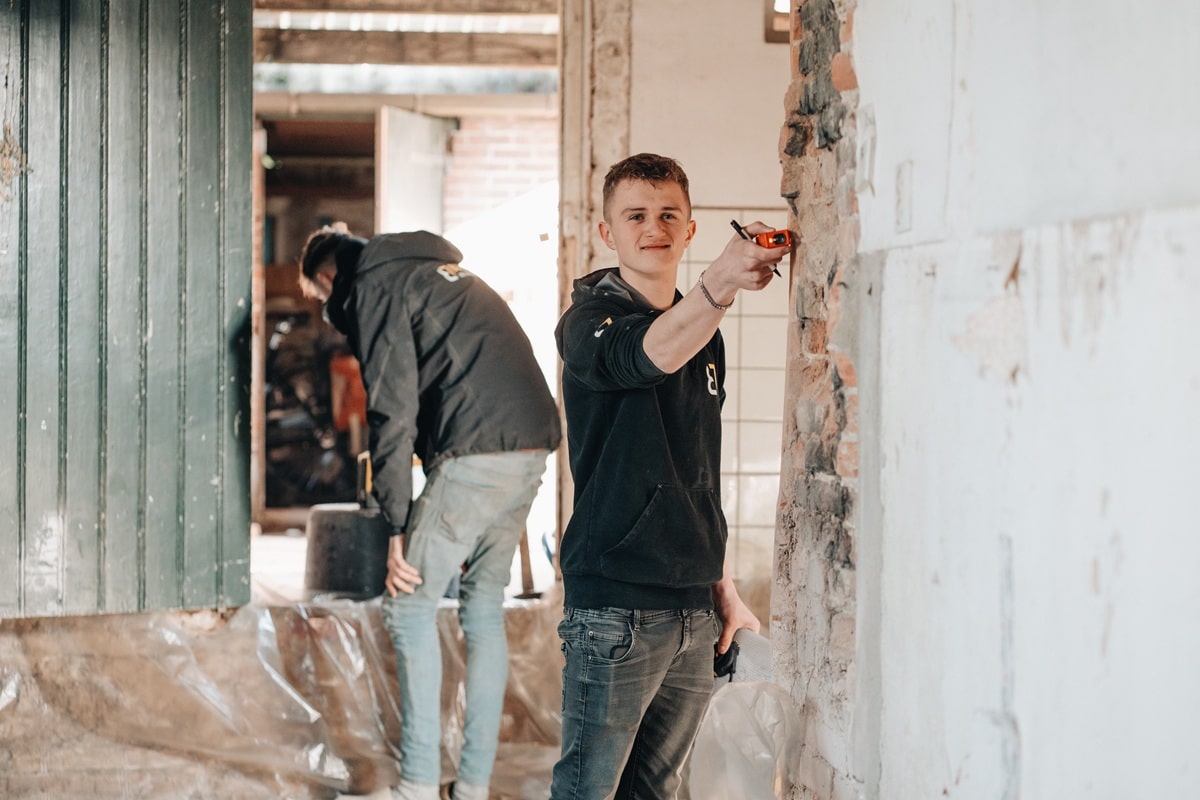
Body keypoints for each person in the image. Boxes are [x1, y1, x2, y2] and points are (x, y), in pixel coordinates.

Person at [550, 153, 787, 799]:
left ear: (689, 229)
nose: (652, 227)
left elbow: (696, 468)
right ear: (608, 233)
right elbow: (645, 355)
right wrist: (722, 283)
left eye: (667, 215)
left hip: (694, 612)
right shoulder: (587, 323)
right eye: (635, 216)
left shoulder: (704, 332)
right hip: (615, 610)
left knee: (654, 792)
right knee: (587, 792)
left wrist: (725, 589)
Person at [297, 226, 562, 800]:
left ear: (328, 279)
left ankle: (416, 785)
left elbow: (392, 411)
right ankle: (469, 788)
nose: (330, 313)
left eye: (323, 301)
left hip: (477, 453)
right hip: (531, 445)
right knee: (483, 608)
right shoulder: (437, 272)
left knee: (409, 609)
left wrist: (396, 522)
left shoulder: (376, 286)